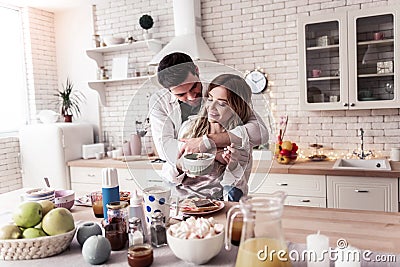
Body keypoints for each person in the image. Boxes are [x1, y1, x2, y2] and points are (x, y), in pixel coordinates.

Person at [149, 52, 268, 199]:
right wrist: (212, 153)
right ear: (169, 91)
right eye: (181, 95)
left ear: (196, 71)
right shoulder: (160, 103)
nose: (191, 97)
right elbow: (166, 150)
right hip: (183, 192)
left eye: (193, 88)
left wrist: (208, 140)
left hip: (221, 195)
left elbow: (260, 132)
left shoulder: (217, 89)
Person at [173, 74, 253, 200]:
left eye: (222, 104)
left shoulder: (239, 145)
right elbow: (169, 175)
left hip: (215, 210)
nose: (211, 107)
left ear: (236, 109)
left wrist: (233, 167)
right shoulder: (189, 128)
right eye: (210, 99)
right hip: (180, 206)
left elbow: (235, 197)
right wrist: (180, 165)